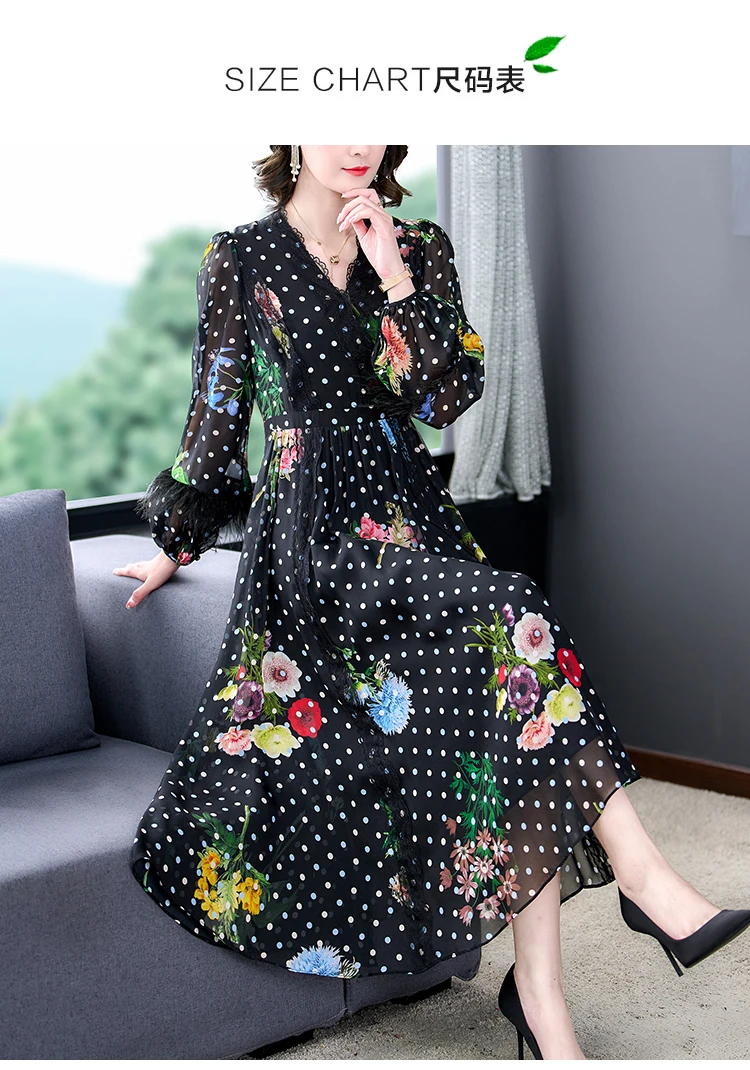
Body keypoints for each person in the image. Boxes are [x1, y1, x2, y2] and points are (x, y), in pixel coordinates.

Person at [115, 146, 750, 1060]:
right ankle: (643, 877)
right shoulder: (240, 256)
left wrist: (394, 275)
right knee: (513, 608)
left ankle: (543, 1002)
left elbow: (445, 398)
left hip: (412, 519)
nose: (358, 142)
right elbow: (216, 414)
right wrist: (175, 543)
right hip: (314, 542)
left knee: (507, 707)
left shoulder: (416, 246)